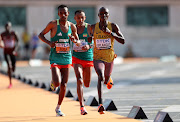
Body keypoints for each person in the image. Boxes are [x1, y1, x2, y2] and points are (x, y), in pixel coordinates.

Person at [38, 5, 80, 117]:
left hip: (66, 58)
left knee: (64, 84)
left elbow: (78, 41)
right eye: (61, 13)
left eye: (65, 13)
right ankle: (53, 82)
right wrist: (49, 43)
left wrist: (74, 40)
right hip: (55, 58)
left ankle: (58, 107)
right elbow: (40, 35)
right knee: (57, 83)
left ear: (68, 13)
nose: (63, 15)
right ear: (58, 14)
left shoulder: (72, 26)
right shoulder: (53, 24)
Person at [89, 7, 125, 114]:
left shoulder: (113, 26)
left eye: (105, 14)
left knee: (105, 80)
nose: (103, 15)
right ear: (98, 15)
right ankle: (100, 104)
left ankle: (109, 79)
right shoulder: (93, 27)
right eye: (101, 14)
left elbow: (123, 40)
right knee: (100, 76)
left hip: (109, 57)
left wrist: (111, 33)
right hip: (97, 57)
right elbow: (88, 38)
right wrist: (89, 40)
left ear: (108, 15)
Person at [72, 10, 93, 115]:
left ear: (84, 18)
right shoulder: (72, 28)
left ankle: (81, 103)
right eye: (78, 18)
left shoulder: (89, 27)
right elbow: (67, 39)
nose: (80, 20)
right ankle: (82, 106)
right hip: (76, 57)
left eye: (82, 18)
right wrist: (71, 40)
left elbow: (94, 40)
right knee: (79, 80)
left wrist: (89, 46)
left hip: (88, 58)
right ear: (75, 18)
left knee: (87, 83)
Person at [0, 22, 19, 88]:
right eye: (6, 26)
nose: (7, 27)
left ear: (10, 26)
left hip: (12, 52)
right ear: (5, 27)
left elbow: (18, 42)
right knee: (9, 65)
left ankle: (12, 69)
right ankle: (10, 82)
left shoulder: (13, 33)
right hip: (6, 52)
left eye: (8, 26)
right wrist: (1, 45)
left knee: (13, 68)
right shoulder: (2, 34)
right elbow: (0, 42)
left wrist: (15, 50)